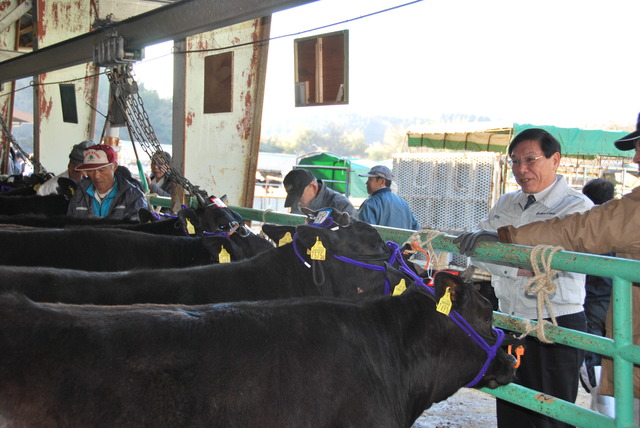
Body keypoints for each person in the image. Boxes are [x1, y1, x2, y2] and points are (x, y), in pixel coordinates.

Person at [455, 116, 640, 421]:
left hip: (556, 324)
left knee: (552, 414)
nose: (521, 169)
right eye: (514, 161)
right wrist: (518, 266)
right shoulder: (506, 203)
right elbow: (479, 255)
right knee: (512, 406)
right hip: (511, 320)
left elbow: (549, 264)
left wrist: (505, 255)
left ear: (555, 160)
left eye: (530, 159)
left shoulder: (576, 207)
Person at [579, 178, 615, 417]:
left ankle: (601, 407)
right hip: (615, 300)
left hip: (592, 300)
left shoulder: (587, 225)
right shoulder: (615, 224)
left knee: (593, 351)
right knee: (615, 349)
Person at [67, 144, 149, 221]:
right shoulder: (79, 194)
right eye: (90, 170)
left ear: (114, 167)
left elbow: (136, 232)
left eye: (102, 170)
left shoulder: (133, 197)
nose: (96, 176)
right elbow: (70, 226)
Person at [357, 165, 419, 230]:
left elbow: (365, 233)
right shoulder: (403, 203)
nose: (366, 183)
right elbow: (416, 231)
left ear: (382, 182)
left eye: (370, 179)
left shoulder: (370, 204)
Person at [283, 168, 357, 217]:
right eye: (294, 198)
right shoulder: (299, 204)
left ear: (313, 188)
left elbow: (353, 237)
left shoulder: (341, 206)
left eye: (300, 197)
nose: (297, 203)